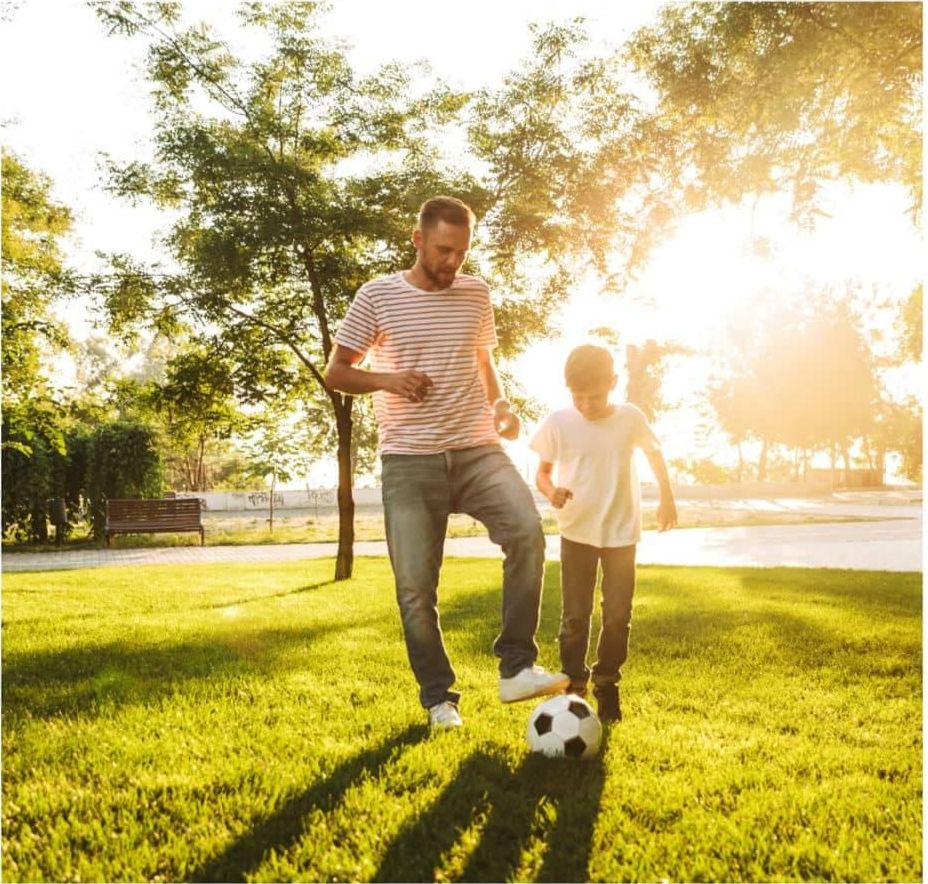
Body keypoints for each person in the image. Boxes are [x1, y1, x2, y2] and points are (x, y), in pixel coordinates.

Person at [323, 196, 568, 730]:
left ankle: (516, 667)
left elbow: (485, 361)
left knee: (526, 531)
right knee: (415, 588)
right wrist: (388, 380)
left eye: (461, 252)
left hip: (478, 447)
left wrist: (501, 405)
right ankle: (439, 699)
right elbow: (336, 373)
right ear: (417, 240)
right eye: (442, 250)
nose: (452, 262)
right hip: (410, 461)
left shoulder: (476, 293)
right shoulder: (378, 297)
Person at [530, 344, 678, 723]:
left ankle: (607, 682)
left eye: (594, 396)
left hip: (621, 533)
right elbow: (542, 474)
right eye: (578, 397)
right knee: (575, 617)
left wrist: (667, 497)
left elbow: (655, 454)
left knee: (616, 615)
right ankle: (574, 686)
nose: (586, 405)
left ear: (612, 383)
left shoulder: (630, 418)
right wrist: (552, 492)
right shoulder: (559, 422)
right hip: (577, 531)